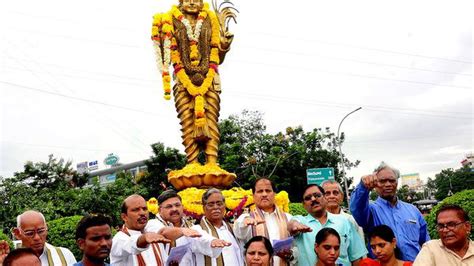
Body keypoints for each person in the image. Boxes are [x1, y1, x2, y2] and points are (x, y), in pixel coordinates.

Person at [349, 162, 430, 261]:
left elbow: (426, 243)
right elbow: (356, 208)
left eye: (392, 180)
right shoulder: (371, 210)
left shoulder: (413, 210)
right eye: (382, 181)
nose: (388, 184)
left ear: (397, 182)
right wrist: (363, 186)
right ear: (375, 184)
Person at [234, 177, 311, 266]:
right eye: (260, 191)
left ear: (274, 193)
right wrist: (245, 223)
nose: (264, 194)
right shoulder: (246, 218)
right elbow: (239, 232)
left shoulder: (287, 218)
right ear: (253, 195)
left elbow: (296, 248)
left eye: (268, 191)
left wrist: (290, 255)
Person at [146, 190, 228, 265]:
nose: (174, 209)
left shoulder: (190, 226)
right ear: (160, 210)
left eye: (177, 205)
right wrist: (182, 231)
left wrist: (212, 241)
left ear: (182, 207)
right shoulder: (153, 224)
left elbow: (202, 238)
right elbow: (163, 232)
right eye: (169, 206)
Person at [293, 184, 367, 266]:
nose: (313, 199)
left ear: (325, 198)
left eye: (317, 195)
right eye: (308, 198)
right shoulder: (300, 222)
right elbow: (291, 225)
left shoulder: (344, 221)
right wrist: (294, 225)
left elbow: (356, 257)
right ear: (303, 204)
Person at [110, 194, 172, 266]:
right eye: (136, 210)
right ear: (124, 217)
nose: (142, 213)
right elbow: (132, 244)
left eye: (144, 209)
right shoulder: (119, 239)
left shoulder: (153, 235)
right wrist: (144, 239)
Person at [191, 188, 244, 266]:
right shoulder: (196, 229)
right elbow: (201, 239)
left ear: (224, 206)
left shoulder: (231, 229)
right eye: (211, 204)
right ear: (204, 208)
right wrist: (212, 241)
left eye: (219, 204)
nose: (216, 207)